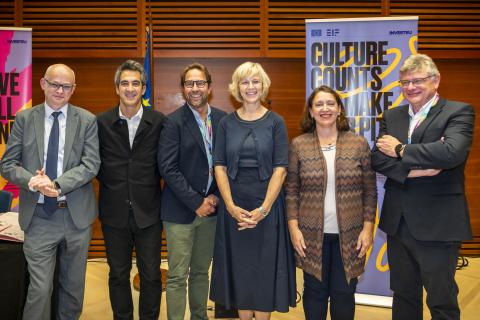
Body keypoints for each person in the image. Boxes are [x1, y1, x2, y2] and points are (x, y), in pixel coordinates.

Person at [372, 53, 475, 320]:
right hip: (398, 223)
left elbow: (451, 153)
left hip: (439, 224)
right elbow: (377, 160)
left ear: (436, 80)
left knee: (441, 299)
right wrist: (418, 170)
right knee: (404, 295)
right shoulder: (392, 116)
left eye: (417, 81)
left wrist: (399, 149)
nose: (410, 88)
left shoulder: (458, 111)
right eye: (404, 82)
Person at [0, 64, 100, 320]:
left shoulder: (87, 120)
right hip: (39, 217)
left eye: (66, 86)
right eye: (54, 84)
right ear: (43, 84)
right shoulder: (25, 119)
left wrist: (57, 185)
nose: (60, 90)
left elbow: (91, 164)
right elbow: (8, 164)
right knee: (40, 289)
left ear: (73, 89)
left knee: (73, 288)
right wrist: (34, 181)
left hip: (76, 217)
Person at [210, 61, 296, 320]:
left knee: (263, 272)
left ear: (264, 86)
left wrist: (263, 210)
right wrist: (231, 207)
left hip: (267, 209)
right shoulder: (226, 123)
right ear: (237, 87)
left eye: (255, 81)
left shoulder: (276, 122)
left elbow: (281, 168)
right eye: (245, 82)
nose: (250, 87)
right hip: (233, 208)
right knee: (240, 272)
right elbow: (219, 166)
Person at [285, 85, 377, 320]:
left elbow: (370, 190)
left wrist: (368, 229)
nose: (325, 108)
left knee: (344, 292)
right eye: (319, 104)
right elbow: (292, 191)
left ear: (339, 110)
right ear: (311, 111)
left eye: (330, 104)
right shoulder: (298, 145)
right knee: (314, 291)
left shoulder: (358, 144)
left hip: (351, 234)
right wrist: (293, 228)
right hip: (310, 235)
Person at [96, 60, 165, 320]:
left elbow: (164, 165)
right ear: (117, 88)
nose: (130, 88)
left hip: (149, 213)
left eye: (135, 83)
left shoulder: (159, 122)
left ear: (144, 88)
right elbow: (96, 164)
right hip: (114, 213)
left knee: (150, 275)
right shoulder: (101, 122)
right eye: (124, 83)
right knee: (118, 275)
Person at [158, 63, 227, 320]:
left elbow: (228, 165)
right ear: (183, 89)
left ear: (209, 87)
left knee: (201, 272)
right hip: (180, 211)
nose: (195, 88)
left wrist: (216, 197)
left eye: (200, 83)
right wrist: (196, 202)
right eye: (189, 84)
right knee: (177, 276)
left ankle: (200, 317)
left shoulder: (223, 120)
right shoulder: (173, 122)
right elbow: (168, 167)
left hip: (212, 210)